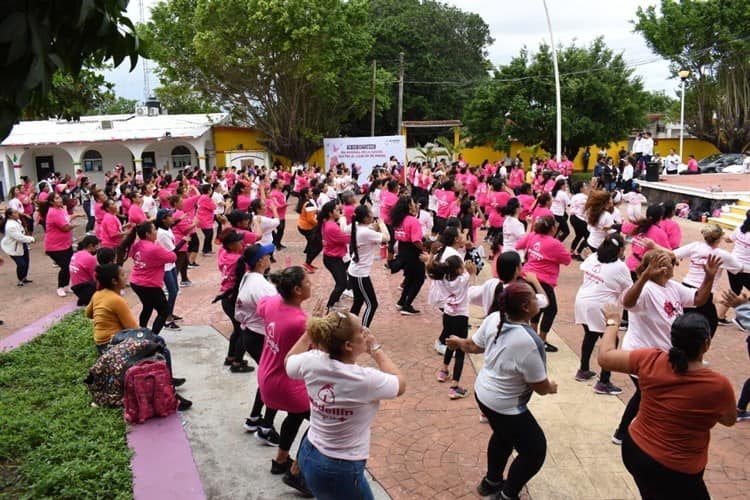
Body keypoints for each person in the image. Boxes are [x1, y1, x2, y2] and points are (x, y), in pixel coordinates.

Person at [598, 307, 736, 499]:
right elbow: (729, 420)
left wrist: (612, 321)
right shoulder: (718, 386)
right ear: (706, 344)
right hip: (677, 469)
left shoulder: (649, 359)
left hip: (635, 450)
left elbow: (605, 358)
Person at [447, 281, 557, 500]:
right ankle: (506, 495)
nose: (539, 301)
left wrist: (459, 342)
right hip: (504, 403)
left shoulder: (494, 318)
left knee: (503, 435)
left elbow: (472, 346)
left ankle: (491, 482)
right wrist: (551, 387)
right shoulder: (529, 341)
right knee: (534, 451)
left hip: (484, 393)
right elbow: (540, 387)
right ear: (526, 307)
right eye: (535, 298)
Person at [286, 311, 405, 499]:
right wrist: (375, 348)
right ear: (349, 345)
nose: (365, 333)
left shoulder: (312, 360)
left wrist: (308, 335)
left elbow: (288, 362)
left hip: (309, 452)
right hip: (340, 467)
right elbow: (400, 384)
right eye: (361, 331)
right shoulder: (364, 379)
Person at [612, 250, 721, 445]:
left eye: (672, 262)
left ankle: (626, 432)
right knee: (646, 394)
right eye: (669, 263)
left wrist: (709, 277)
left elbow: (698, 300)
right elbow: (628, 303)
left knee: (645, 395)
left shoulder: (672, 286)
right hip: (642, 354)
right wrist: (645, 276)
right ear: (658, 268)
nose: (673, 265)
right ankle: (627, 433)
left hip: (664, 355)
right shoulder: (644, 289)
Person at [256, 266, 313, 496]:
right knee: (323, 422)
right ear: (298, 290)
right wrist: (318, 323)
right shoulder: (301, 322)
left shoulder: (272, 301)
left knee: (297, 414)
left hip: (266, 376)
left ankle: (280, 460)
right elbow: (319, 350)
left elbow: (260, 308)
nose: (312, 284)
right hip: (284, 384)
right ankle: (296, 472)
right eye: (308, 281)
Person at [233, 243, 281, 443]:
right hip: (260, 336)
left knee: (267, 378)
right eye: (268, 255)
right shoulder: (260, 285)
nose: (270, 257)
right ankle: (266, 427)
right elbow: (277, 312)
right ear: (261, 260)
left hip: (251, 335)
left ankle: (254, 418)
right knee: (276, 381)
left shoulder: (250, 278)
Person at [573, 234, 632, 394]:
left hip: (582, 301)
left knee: (590, 335)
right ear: (619, 250)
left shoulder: (593, 257)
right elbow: (630, 289)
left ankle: (583, 370)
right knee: (611, 339)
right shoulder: (620, 266)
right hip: (600, 306)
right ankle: (604, 382)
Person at [673, 223, 750, 335]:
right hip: (705, 292)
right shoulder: (722, 255)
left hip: (686, 287)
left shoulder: (695, 246)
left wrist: (654, 245)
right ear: (719, 239)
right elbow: (741, 268)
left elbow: (673, 253)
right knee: (710, 325)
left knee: (683, 321)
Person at [515, 216, 572, 352]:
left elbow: (518, 245)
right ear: (552, 228)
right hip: (543, 280)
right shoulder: (554, 243)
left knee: (536, 307)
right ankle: (542, 339)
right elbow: (567, 260)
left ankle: (534, 336)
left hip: (526, 275)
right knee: (551, 310)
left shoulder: (533, 236)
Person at [429, 255, 476, 399]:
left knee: (450, 342)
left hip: (448, 315)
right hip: (461, 317)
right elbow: (472, 282)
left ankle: (443, 371)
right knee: (461, 350)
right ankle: (455, 386)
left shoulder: (441, 279)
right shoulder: (464, 278)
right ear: (458, 269)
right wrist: (472, 272)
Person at [122, 222, 180, 335]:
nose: (156, 232)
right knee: (164, 311)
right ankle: (153, 336)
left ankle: (142, 331)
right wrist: (158, 246)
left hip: (136, 282)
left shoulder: (137, 244)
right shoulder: (154, 248)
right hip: (149, 284)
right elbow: (173, 257)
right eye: (154, 230)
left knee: (147, 306)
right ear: (148, 234)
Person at [216, 229, 254, 373]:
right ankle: (237, 363)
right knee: (244, 331)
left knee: (237, 330)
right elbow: (249, 272)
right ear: (231, 245)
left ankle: (231, 357)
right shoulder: (239, 260)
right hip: (234, 298)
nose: (242, 243)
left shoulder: (224, 253)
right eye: (239, 241)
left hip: (226, 297)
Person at [348, 205, 389, 327]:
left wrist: (377, 226)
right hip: (360, 274)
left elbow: (372, 231)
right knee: (372, 304)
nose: (373, 214)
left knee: (358, 301)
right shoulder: (365, 232)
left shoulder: (359, 227)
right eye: (370, 213)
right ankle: (363, 331)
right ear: (365, 218)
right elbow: (387, 238)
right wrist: (382, 224)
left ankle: (349, 327)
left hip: (354, 271)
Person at [85, 263, 138, 352]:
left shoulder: (97, 294)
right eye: (122, 275)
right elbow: (133, 328)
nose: (126, 277)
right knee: (159, 345)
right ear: (114, 281)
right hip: (113, 343)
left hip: (99, 342)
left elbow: (88, 314)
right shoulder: (117, 300)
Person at [45, 193, 85, 297]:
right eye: (57, 198)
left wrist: (77, 215)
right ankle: (60, 287)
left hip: (65, 244)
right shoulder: (53, 212)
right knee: (65, 266)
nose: (60, 199)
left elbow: (67, 218)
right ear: (52, 202)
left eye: (59, 197)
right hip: (55, 246)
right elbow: (65, 227)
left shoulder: (61, 209)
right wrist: (74, 226)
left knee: (69, 265)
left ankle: (66, 286)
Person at [390, 197, 425, 315]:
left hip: (402, 250)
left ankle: (401, 301)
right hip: (413, 251)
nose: (415, 205)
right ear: (409, 206)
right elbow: (416, 240)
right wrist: (425, 249)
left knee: (410, 277)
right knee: (419, 278)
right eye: (413, 203)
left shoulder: (399, 219)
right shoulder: (413, 221)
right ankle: (407, 304)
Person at [317, 201, 350, 312]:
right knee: (342, 283)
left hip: (333, 257)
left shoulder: (328, 223)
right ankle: (330, 305)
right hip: (332, 258)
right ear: (330, 213)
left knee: (341, 281)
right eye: (336, 210)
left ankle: (336, 301)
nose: (338, 212)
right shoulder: (332, 227)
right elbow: (345, 239)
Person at [1, 207, 35, 287]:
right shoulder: (10, 226)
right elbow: (19, 237)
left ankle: (24, 277)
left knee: (26, 262)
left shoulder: (18, 221)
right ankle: (20, 279)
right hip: (13, 247)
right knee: (21, 264)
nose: (17, 214)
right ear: (10, 216)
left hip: (21, 245)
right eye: (15, 213)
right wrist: (31, 239)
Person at [69, 235, 100, 306]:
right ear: (91, 246)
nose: (97, 249)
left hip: (75, 287)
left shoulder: (76, 254)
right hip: (84, 288)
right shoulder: (90, 258)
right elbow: (95, 277)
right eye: (96, 246)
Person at [296, 187, 321, 273]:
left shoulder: (305, 202)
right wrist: (319, 224)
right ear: (306, 194)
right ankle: (306, 263)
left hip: (303, 226)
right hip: (307, 228)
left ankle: (308, 263)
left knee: (312, 244)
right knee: (318, 246)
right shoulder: (309, 204)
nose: (312, 192)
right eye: (310, 191)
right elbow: (311, 219)